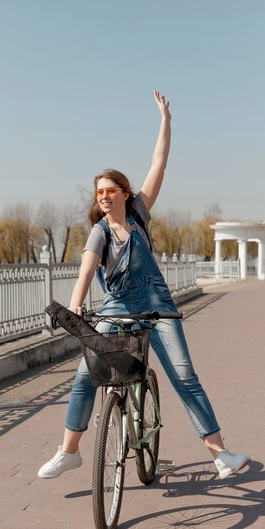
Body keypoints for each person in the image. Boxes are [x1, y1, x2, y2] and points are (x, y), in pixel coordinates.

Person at [38, 91, 250, 480]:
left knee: (185, 376)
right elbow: (86, 270)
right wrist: (76, 304)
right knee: (87, 372)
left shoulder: (138, 213)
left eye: (110, 191)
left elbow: (159, 164)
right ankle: (69, 451)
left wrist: (165, 120)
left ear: (125, 193)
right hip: (118, 308)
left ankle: (221, 455)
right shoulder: (98, 233)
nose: (104, 197)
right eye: (99, 192)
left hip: (158, 306)